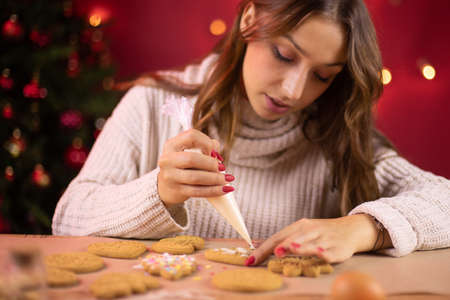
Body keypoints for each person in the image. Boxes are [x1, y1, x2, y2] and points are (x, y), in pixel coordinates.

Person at [52, 0, 450, 266]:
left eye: (322, 76)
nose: (294, 91)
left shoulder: (337, 138)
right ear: (250, 21)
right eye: (285, 55)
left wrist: (364, 228)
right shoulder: (154, 104)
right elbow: (67, 219)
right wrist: (159, 194)